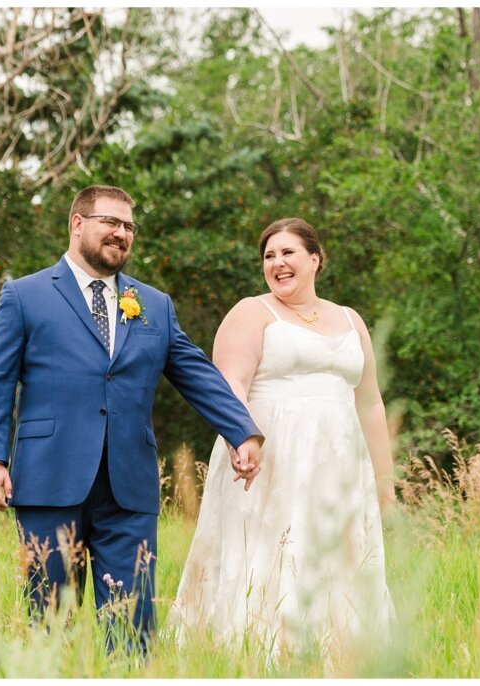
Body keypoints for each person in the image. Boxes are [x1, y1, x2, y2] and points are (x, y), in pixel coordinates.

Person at [0, 184, 264, 651]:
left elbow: (195, 372)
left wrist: (241, 430)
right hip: (50, 480)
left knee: (131, 624)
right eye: (111, 222)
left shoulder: (154, 305)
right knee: (50, 622)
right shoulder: (24, 296)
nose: (121, 233)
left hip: (128, 486)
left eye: (129, 226)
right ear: (77, 224)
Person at [169, 217, 396, 658]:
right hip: (270, 457)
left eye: (288, 252)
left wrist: (385, 485)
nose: (277, 263)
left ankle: (341, 656)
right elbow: (230, 382)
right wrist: (242, 440)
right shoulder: (253, 312)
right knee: (271, 554)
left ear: (315, 259)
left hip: (340, 466)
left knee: (340, 558)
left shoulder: (350, 320)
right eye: (269, 256)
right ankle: (256, 655)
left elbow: (370, 403)